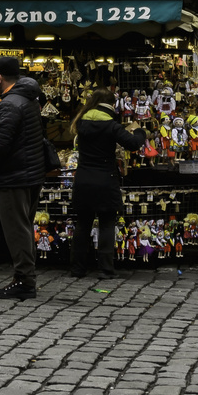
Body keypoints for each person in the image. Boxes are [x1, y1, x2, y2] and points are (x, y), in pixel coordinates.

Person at [0, 55, 47, 301]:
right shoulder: (28, 99)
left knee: (16, 229)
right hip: (29, 173)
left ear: (0, 77)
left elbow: (0, 143)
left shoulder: (10, 104)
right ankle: (24, 277)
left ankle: (24, 280)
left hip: (14, 176)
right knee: (24, 226)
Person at [68, 89, 144, 279]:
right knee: (107, 224)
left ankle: (78, 269)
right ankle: (105, 269)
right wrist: (141, 131)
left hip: (84, 178)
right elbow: (133, 144)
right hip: (105, 179)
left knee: (83, 224)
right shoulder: (111, 126)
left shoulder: (81, 122)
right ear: (110, 105)